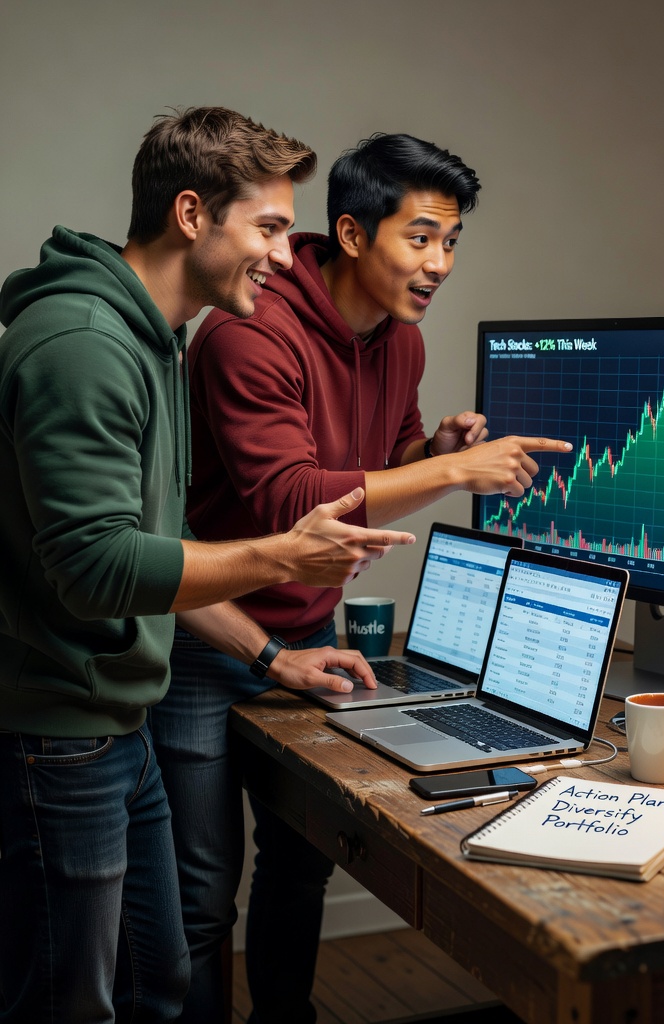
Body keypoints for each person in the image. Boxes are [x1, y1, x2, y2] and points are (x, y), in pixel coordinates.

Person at [0, 106, 415, 1024]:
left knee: (161, 984)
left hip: (116, 729)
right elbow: (97, 567)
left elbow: (161, 557)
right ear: (193, 215)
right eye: (267, 227)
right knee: (66, 1005)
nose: (283, 251)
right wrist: (281, 552)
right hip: (59, 738)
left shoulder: (156, 340)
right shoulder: (86, 345)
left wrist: (271, 657)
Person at [148, 131, 570, 1023]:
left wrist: (430, 451)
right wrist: (455, 473)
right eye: (419, 238)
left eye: (451, 241)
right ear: (349, 234)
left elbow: (373, 475)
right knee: (198, 896)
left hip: (310, 637)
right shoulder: (246, 333)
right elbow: (293, 497)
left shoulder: (401, 341)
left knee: (299, 866)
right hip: (205, 633)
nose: (440, 263)